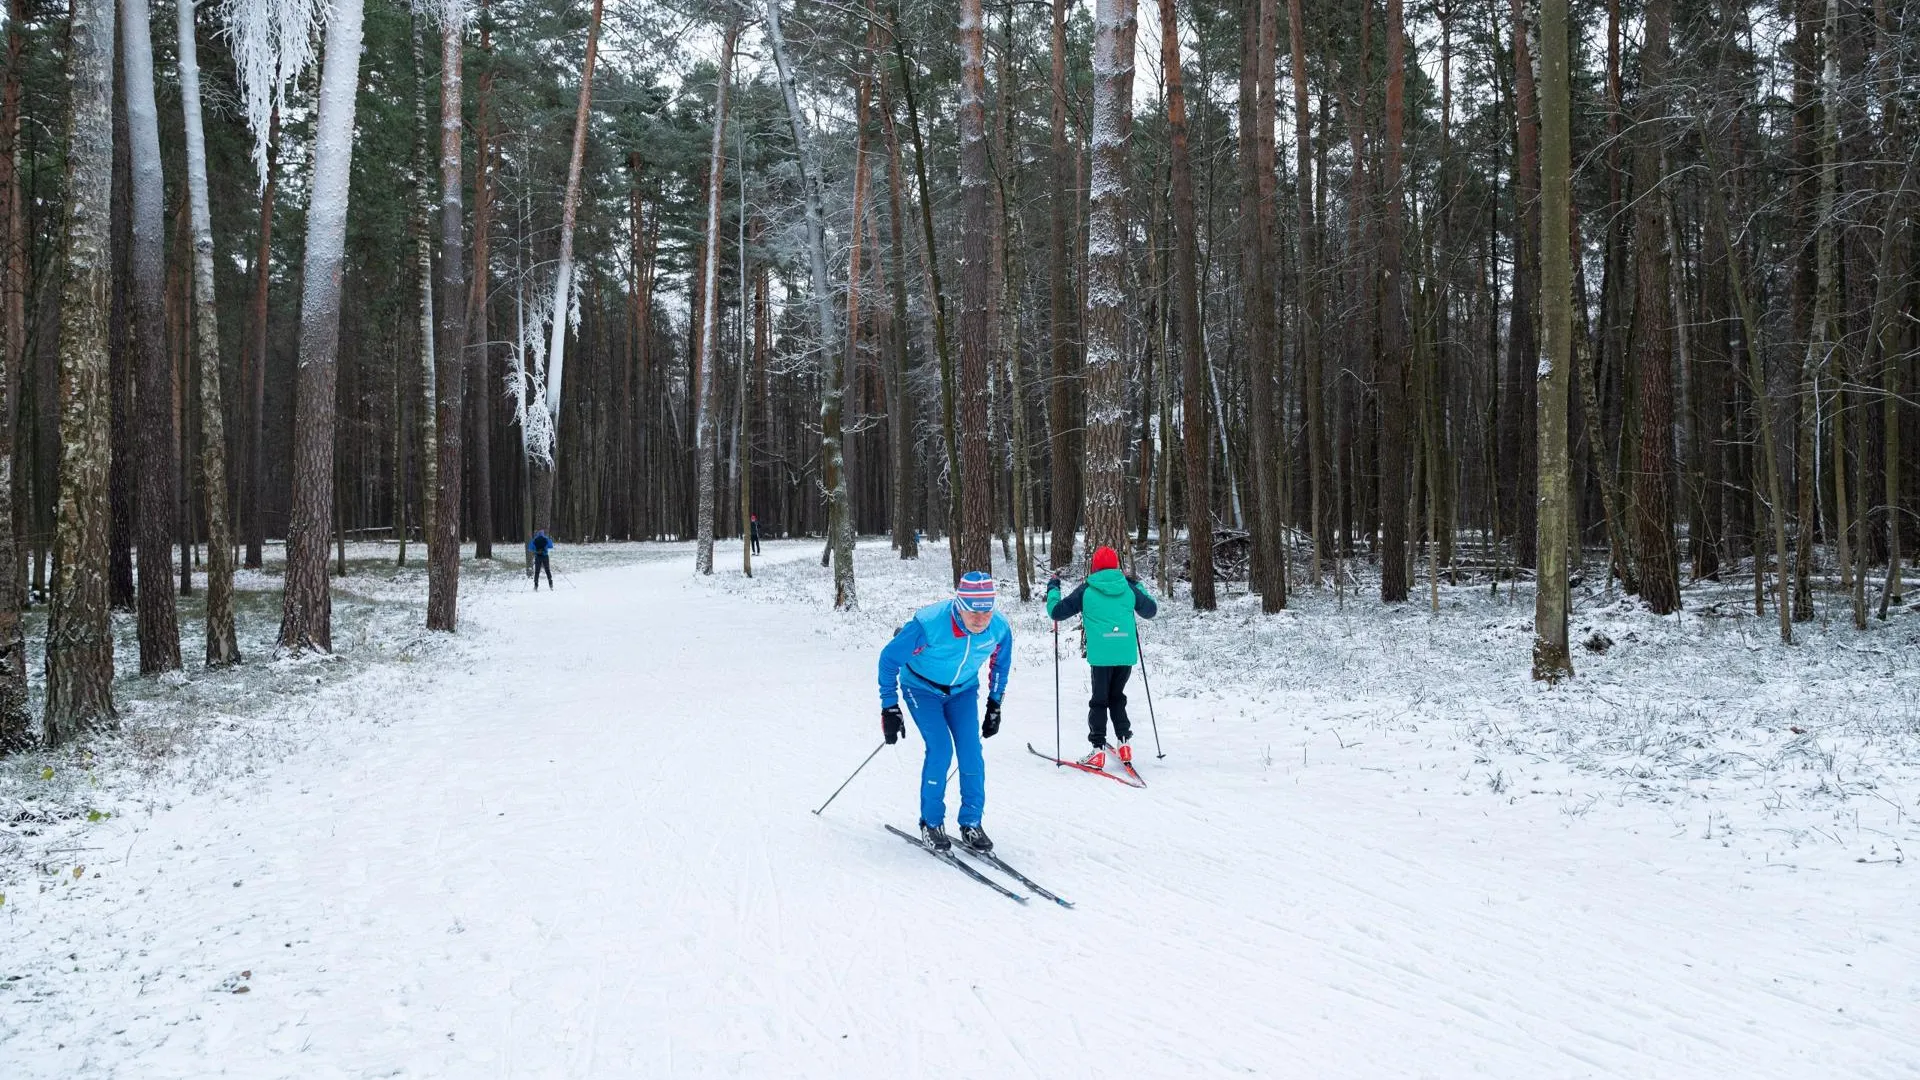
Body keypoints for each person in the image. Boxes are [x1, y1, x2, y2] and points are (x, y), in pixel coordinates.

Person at [876, 571, 1013, 853]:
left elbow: (1000, 664)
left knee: (971, 752)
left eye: (986, 612)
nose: (980, 619)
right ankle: (931, 823)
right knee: (941, 750)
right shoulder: (929, 625)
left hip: (962, 691)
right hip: (921, 688)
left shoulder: (998, 628)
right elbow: (889, 659)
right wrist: (889, 706)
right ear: (959, 607)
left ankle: (971, 823)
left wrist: (995, 703)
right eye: (973, 613)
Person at [1046, 545, 1157, 771]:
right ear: (1116, 566)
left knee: (1099, 700)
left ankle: (1097, 749)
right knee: (1117, 697)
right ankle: (1124, 742)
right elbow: (1150, 610)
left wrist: (1053, 587)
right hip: (1125, 653)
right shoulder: (1127, 588)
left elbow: (1056, 612)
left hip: (1101, 656)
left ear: (1094, 566)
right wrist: (1138, 586)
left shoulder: (1087, 589)